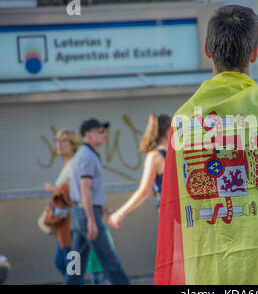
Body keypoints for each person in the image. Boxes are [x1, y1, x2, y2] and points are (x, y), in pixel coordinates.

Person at [154, 5, 258, 285]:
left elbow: (176, 209)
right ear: (254, 53)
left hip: (206, 268)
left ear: (206, 50)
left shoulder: (184, 119)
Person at [64, 118, 130, 285]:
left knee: (76, 264)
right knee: (109, 260)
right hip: (87, 214)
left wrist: (105, 208)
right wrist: (92, 220)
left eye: (104, 131)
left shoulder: (84, 155)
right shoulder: (87, 156)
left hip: (81, 213)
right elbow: (85, 190)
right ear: (88, 134)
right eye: (100, 131)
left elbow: (86, 191)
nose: (104, 134)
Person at [108, 114, 171, 228]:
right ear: (167, 130)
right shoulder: (173, 153)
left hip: (169, 211)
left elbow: (144, 191)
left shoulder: (155, 156)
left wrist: (120, 213)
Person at [43, 129, 81, 279]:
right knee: (62, 262)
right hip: (65, 227)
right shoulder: (68, 165)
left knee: (73, 268)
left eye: (63, 141)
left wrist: (54, 189)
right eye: (57, 141)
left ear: (73, 144)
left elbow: (75, 193)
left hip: (73, 225)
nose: (59, 144)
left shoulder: (74, 165)